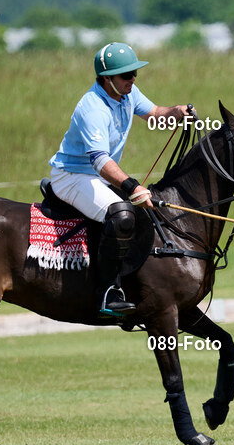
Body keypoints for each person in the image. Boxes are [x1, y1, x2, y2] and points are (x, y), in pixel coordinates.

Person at [49, 42, 190, 316]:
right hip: (72, 176)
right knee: (121, 215)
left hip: (97, 176)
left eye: (134, 73)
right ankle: (108, 293)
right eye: (126, 75)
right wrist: (132, 186)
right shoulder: (93, 108)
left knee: (141, 215)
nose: (132, 79)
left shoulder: (127, 93)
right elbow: (99, 161)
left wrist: (176, 112)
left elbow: (155, 114)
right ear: (106, 78)